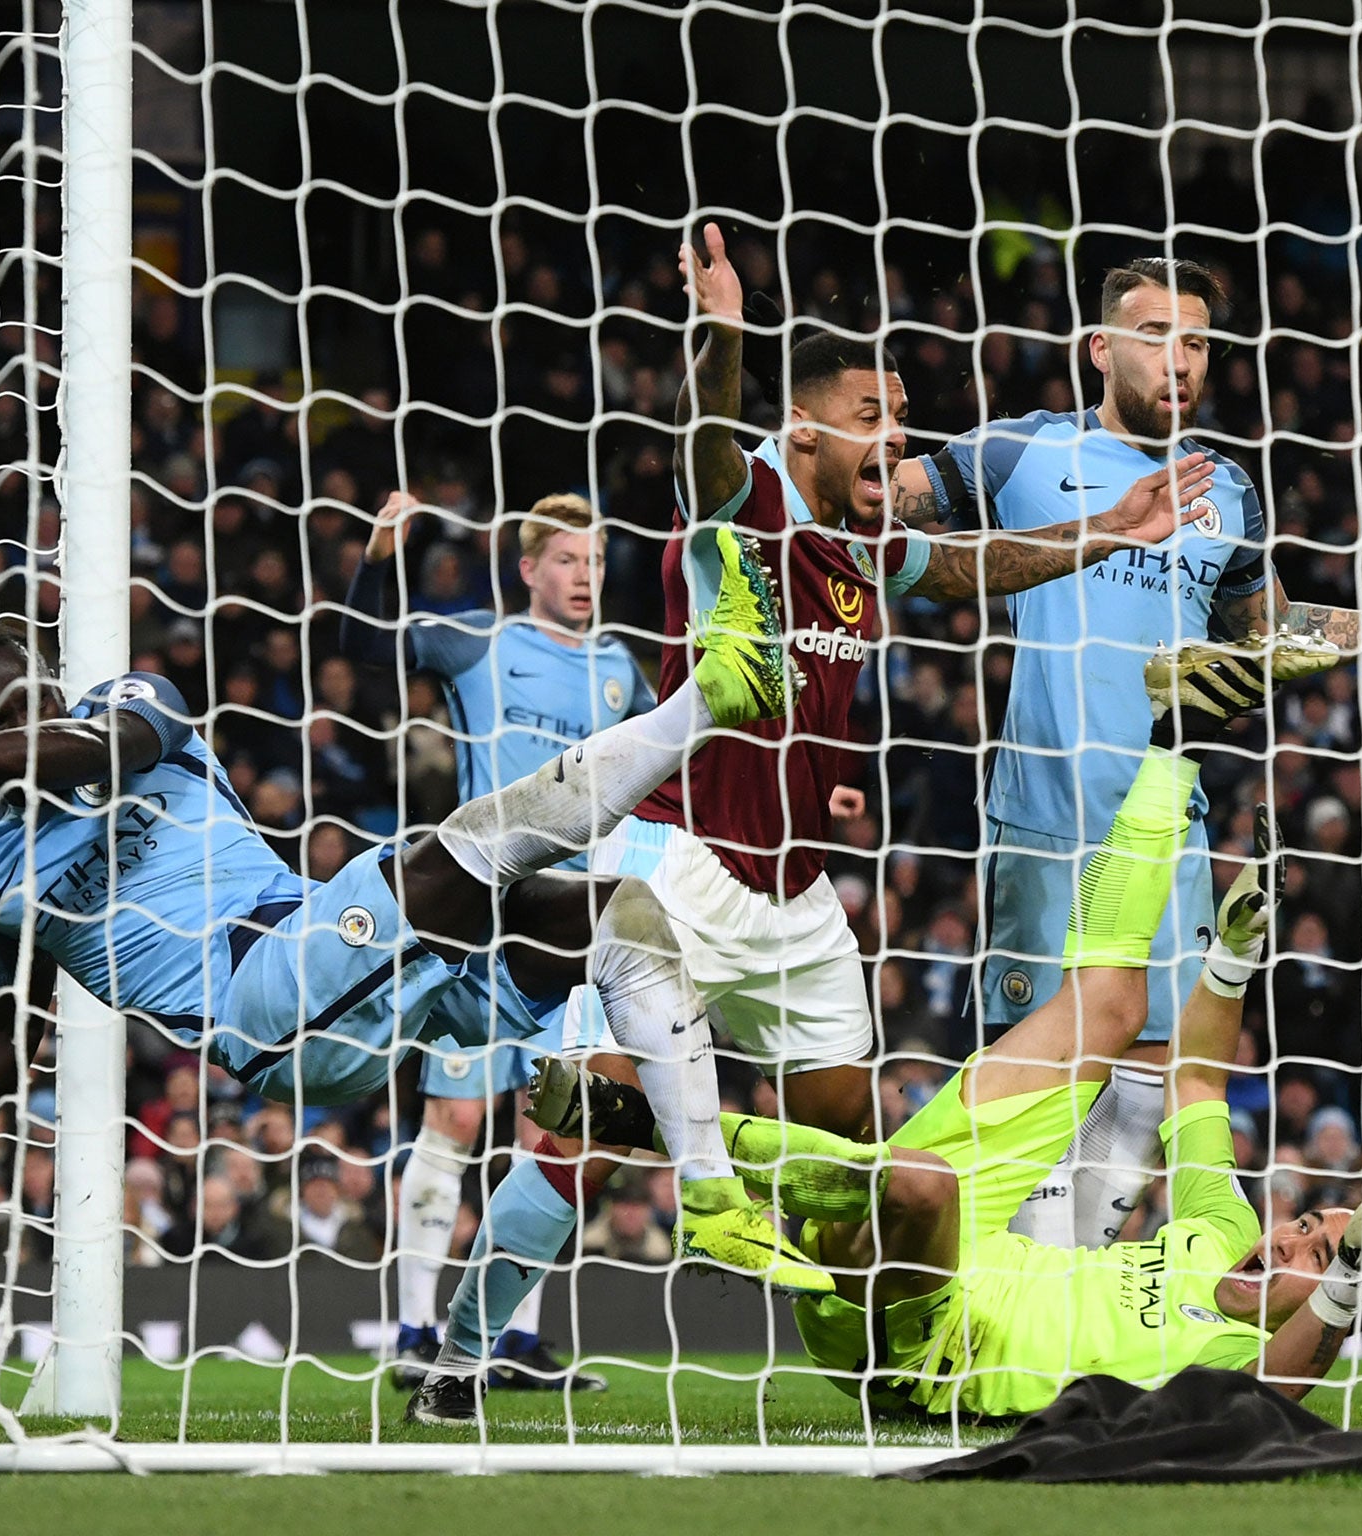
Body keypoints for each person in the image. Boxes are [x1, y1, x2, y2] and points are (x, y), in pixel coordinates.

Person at [401, 223, 1224, 1425]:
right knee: (590, 1114)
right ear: (803, 427)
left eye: (897, 412)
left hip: (795, 902)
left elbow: (963, 568)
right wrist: (723, 333)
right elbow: (700, 442)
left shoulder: (870, 538)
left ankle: (890, 1360)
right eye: (868, 413)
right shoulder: (747, 503)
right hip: (677, 871)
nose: (894, 433)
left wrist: (1111, 529)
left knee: (855, 1144)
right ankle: (463, 1357)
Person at [531, 634, 1362, 1418]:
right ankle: (1175, 744)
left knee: (922, 1187)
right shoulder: (1219, 1228)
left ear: (1336, 1301)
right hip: (959, 1242)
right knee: (1112, 1011)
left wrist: (1355, 1273)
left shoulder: (1241, 1368)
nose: (1287, 1238)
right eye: (1311, 1221)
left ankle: (668, 1137)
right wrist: (1231, 962)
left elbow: (1289, 1389)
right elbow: (1197, 1079)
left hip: (918, 1346)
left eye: (1319, 1255)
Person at [0, 528, 824, 1337]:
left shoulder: (130, 704)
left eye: (31, 676)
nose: (29, 697)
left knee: (615, 912)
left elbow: (102, 747)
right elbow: (10, 1022)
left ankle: (709, 1198)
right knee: (455, 858)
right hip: (259, 1008)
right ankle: (714, 695)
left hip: (327, 951)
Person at [887, 256, 1362, 1247]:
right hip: (1048, 816)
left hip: (1166, 827)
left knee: (1152, 1072)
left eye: (1198, 339)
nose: (1181, 358)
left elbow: (1267, 629)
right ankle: (978, 1278)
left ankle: (1064, 1286)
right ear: (1099, 347)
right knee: (1034, 1070)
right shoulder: (1023, 452)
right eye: (1155, 334)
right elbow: (885, 506)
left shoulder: (1228, 492)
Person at [343, 489, 652, 1392]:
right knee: (454, 1116)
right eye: (566, 559)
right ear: (528, 570)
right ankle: (411, 1328)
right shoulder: (479, 640)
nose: (584, 575)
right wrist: (381, 556)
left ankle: (515, 1340)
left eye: (594, 560)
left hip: (580, 924)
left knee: (556, 1126)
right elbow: (366, 649)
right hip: (488, 910)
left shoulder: (619, 667)